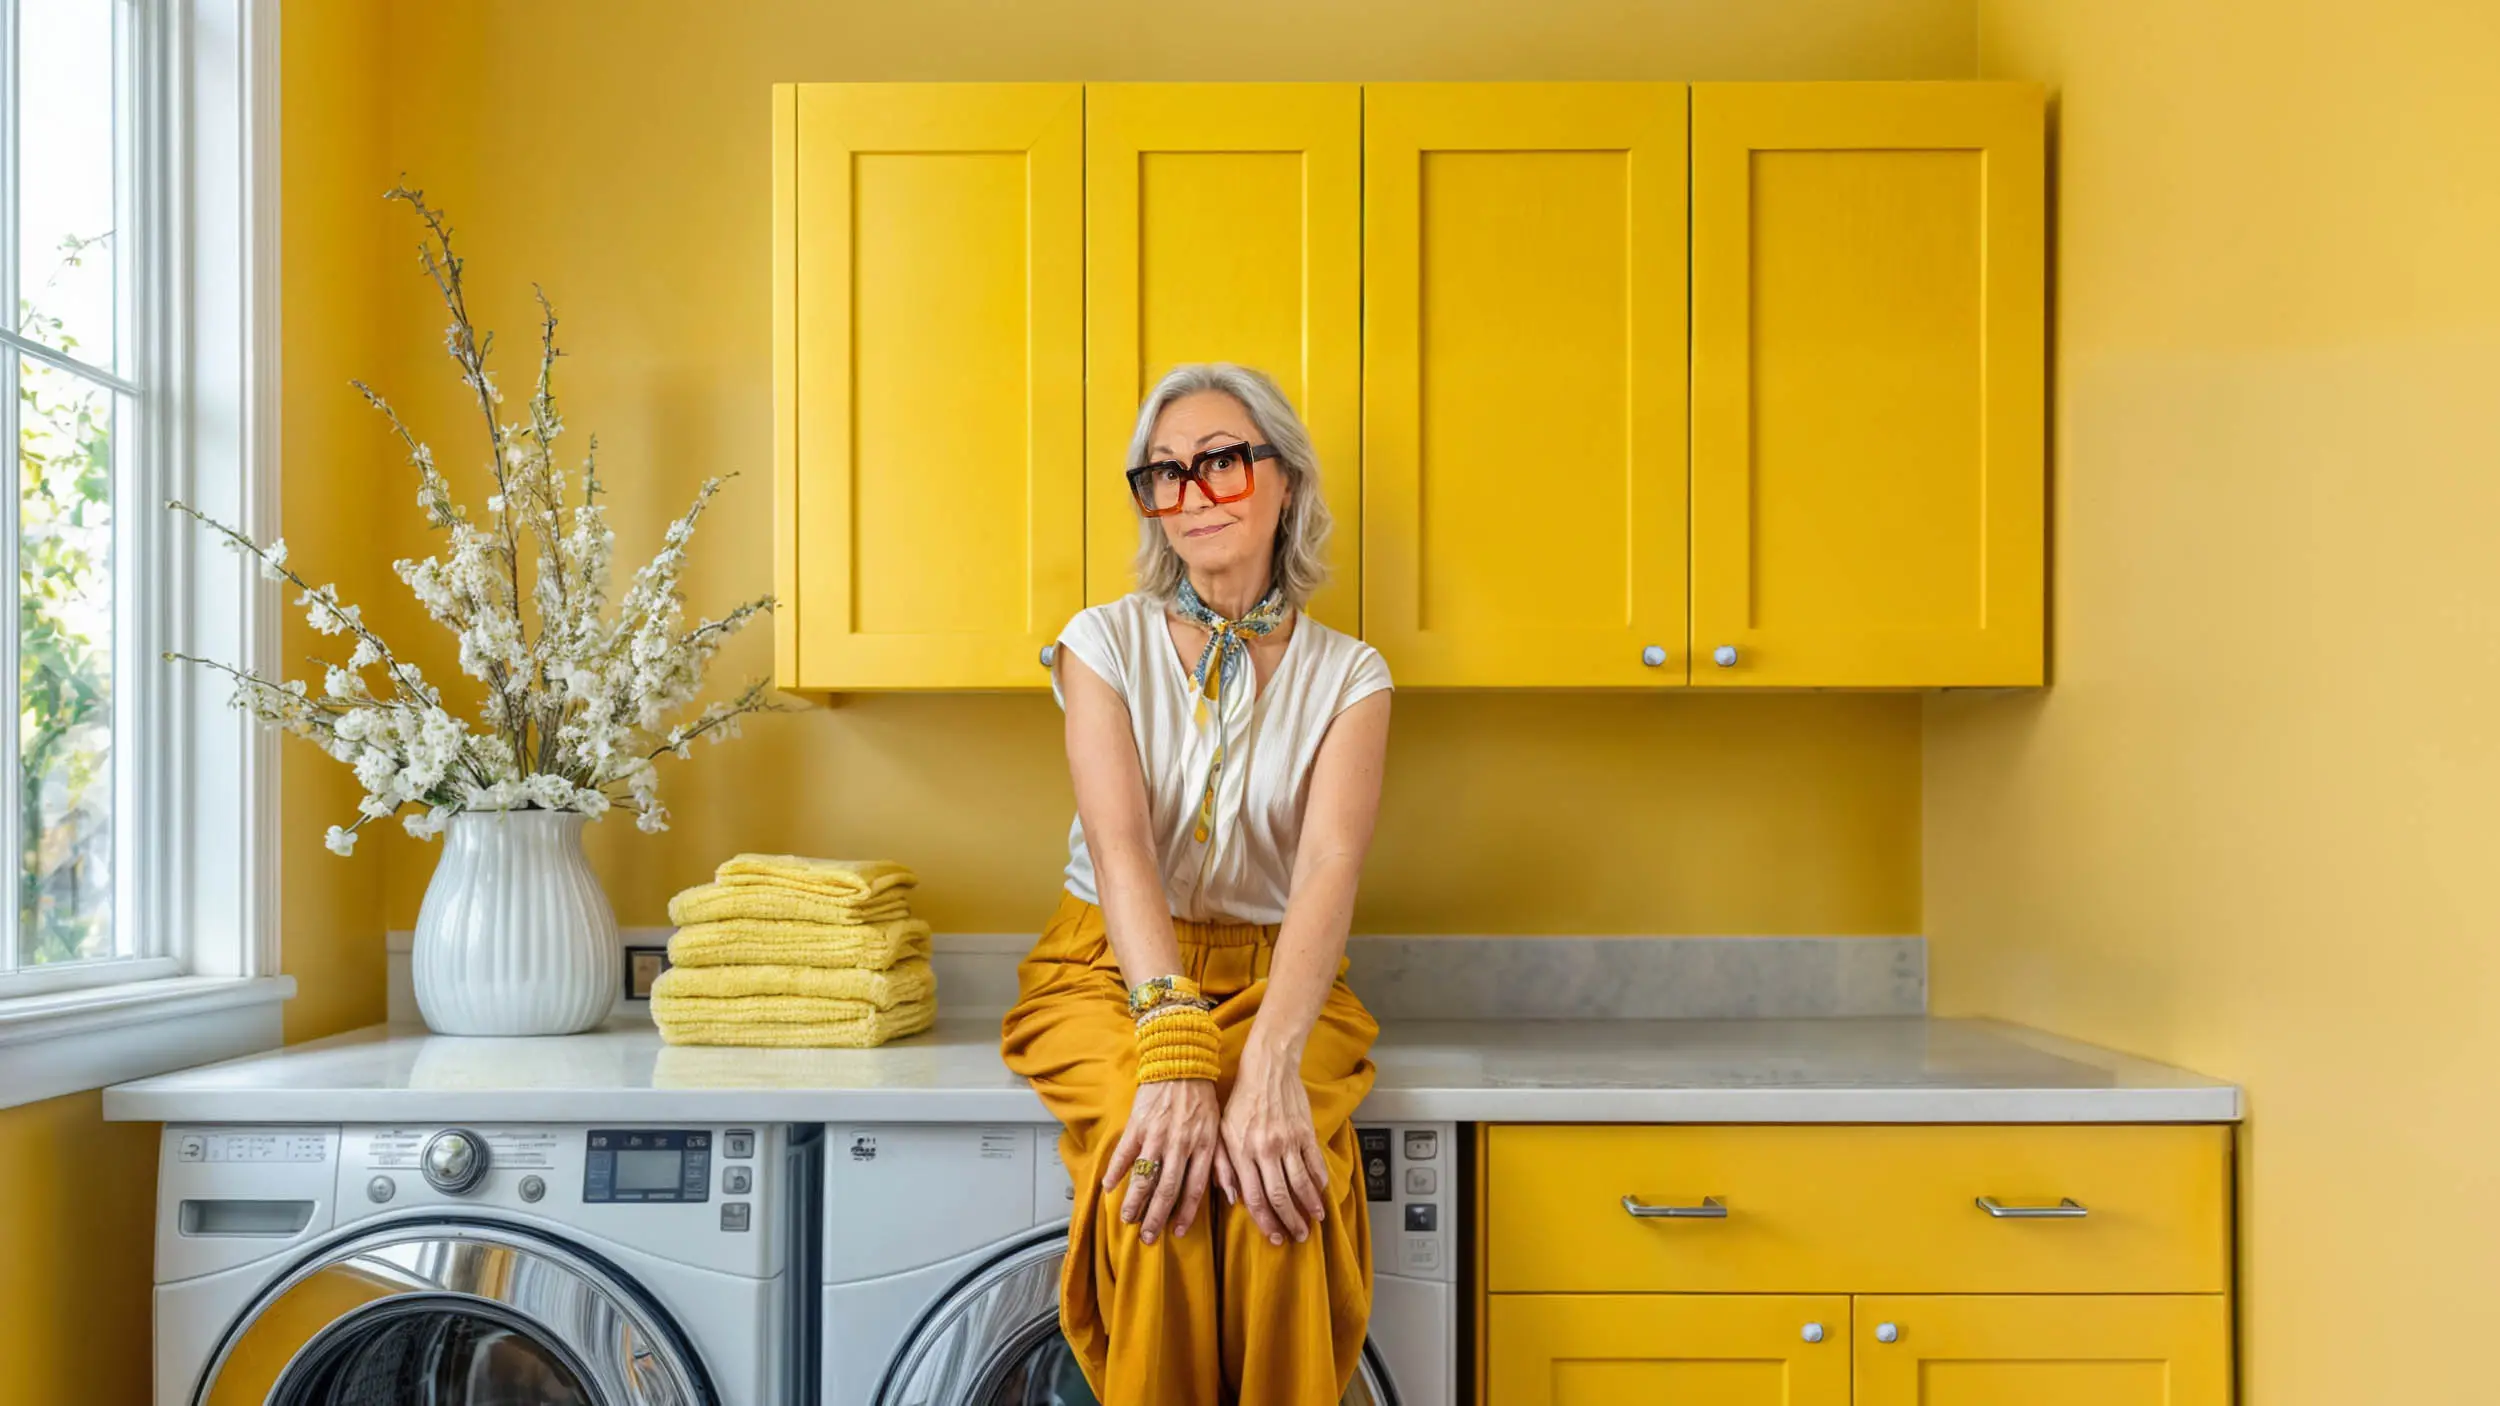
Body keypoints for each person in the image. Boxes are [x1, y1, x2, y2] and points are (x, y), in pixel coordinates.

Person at [1000, 363, 1394, 1404]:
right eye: (1165, 472)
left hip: (1281, 977)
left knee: (1278, 1196)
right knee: (1158, 1186)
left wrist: (1271, 1062)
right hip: (1108, 968)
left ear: (1285, 479)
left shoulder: (1350, 675)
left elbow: (1330, 864)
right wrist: (1172, 1041)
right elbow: (1121, 844)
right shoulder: (1101, 642)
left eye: (1221, 460)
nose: (1192, 492)